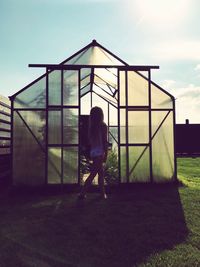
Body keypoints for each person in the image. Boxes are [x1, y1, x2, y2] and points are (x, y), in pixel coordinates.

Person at [79, 106, 108, 199]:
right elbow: (104, 141)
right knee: (94, 174)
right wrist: (106, 153)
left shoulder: (91, 126)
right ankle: (83, 193)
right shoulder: (103, 126)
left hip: (93, 152)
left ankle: (102, 193)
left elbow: (90, 141)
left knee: (100, 173)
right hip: (99, 152)